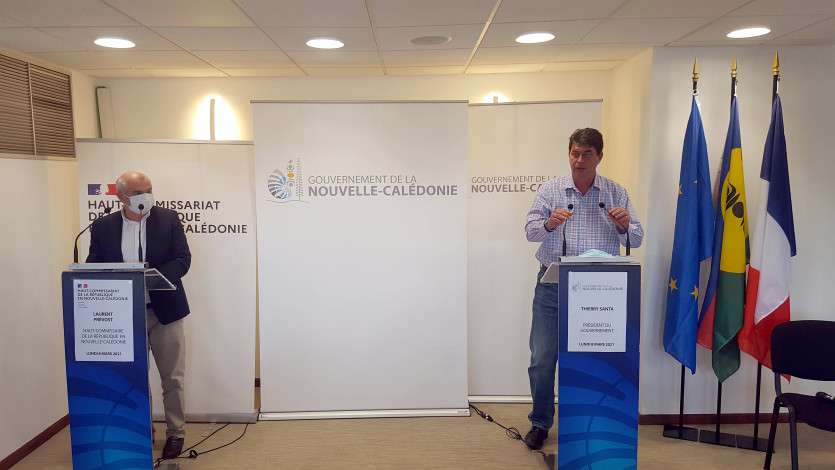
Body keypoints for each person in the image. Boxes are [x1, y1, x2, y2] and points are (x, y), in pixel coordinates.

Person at [522, 128, 643, 450]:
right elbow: (530, 232)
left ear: (599, 156)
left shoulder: (616, 192)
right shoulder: (551, 190)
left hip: (599, 288)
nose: (579, 160)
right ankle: (540, 423)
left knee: (595, 358)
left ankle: (596, 423)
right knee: (542, 358)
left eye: (586, 154)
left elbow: (636, 238)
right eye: (574, 153)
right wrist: (549, 224)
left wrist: (623, 224)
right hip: (553, 286)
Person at [87, 171, 192, 459]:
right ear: (121, 196)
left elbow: (183, 259)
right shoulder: (103, 226)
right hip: (123, 315)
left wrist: (155, 277)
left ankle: (176, 433)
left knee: (173, 378)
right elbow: (94, 263)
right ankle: (142, 430)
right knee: (134, 379)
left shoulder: (168, 219)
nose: (146, 195)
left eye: (149, 189)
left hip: (165, 312)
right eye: (137, 192)